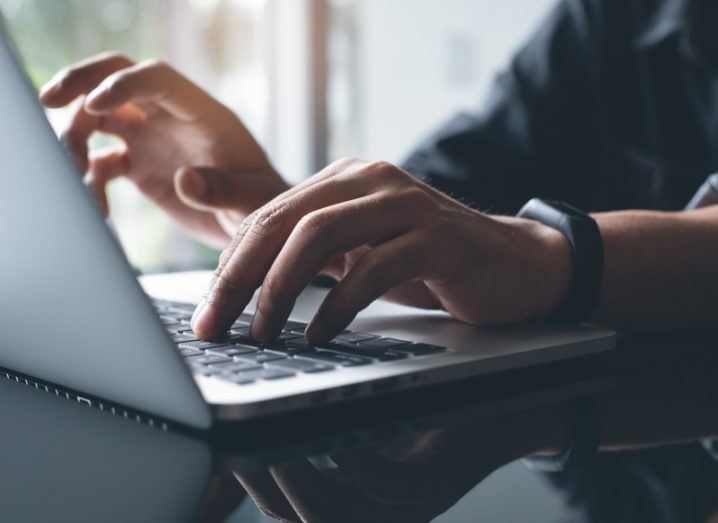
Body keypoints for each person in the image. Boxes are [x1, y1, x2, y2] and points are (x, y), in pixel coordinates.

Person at [39, 0, 718, 343]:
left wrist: (545, 255)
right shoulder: (610, 17)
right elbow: (440, 210)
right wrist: (278, 208)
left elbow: (497, 248)